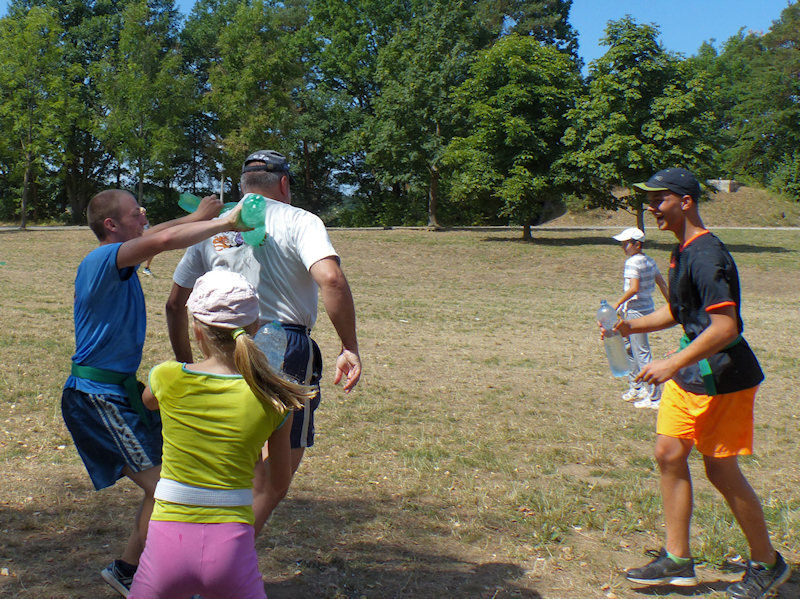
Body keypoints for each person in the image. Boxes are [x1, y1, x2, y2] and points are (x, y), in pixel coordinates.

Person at [605, 168, 790, 598]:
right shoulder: (682, 251)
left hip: (723, 376)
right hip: (690, 375)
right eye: (650, 200)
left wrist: (671, 362)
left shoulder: (707, 255)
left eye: (660, 199)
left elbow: (725, 327)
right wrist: (628, 327)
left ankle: (768, 562)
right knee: (669, 453)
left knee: (720, 470)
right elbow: (680, 312)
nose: (652, 208)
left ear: (685, 201)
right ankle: (678, 559)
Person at [166, 149, 361, 533]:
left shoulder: (215, 226)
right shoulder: (300, 220)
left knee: (235, 460)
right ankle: (227, 552)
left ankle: (202, 540)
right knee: (274, 479)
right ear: (284, 183)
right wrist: (349, 346)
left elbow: (175, 304)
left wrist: (188, 365)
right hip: (285, 346)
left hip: (220, 347)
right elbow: (331, 279)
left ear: (243, 186)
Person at [61, 189, 245, 597]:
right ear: (111, 225)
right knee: (166, 489)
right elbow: (161, 240)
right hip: (96, 397)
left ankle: (128, 569)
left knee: (170, 482)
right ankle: (151, 573)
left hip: (119, 391)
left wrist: (196, 217)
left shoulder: (119, 255)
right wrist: (227, 223)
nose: (143, 216)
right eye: (135, 212)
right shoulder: (101, 259)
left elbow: (157, 233)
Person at [129, 270, 313, 599]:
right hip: (232, 547)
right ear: (255, 328)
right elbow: (278, 483)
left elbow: (148, 401)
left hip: (167, 542)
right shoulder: (274, 398)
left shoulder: (166, 377)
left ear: (197, 330)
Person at [611, 227, 669, 409]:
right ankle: (637, 387)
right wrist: (672, 303)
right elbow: (661, 283)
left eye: (626, 244)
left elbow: (634, 288)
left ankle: (654, 397)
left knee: (641, 352)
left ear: (637, 244)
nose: (623, 247)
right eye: (622, 244)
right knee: (630, 349)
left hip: (635, 312)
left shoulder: (632, 263)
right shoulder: (650, 261)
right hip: (646, 310)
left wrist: (616, 304)